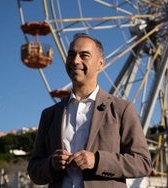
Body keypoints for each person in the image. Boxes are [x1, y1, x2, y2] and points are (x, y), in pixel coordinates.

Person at [27, 33, 152, 188]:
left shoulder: (121, 109)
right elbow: (34, 171)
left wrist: (97, 161)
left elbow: (143, 163)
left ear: (100, 63)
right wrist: (51, 164)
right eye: (71, 55)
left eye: (84, 55)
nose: (75, 61)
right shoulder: (50, 114)